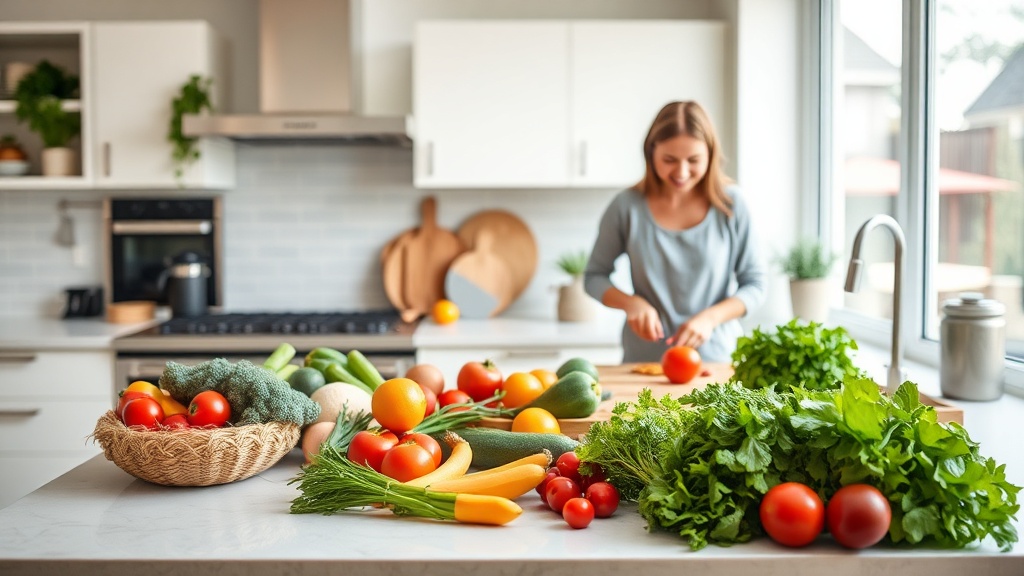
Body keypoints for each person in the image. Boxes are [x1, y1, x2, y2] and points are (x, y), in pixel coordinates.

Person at [584, 101, 766, 363]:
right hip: (643, 362)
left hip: (715, 361)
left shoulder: (731, 206)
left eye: (693, 160)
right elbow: (594, 277)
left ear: (711, 156)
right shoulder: (626, 207)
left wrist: (710, 318)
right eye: (669, 160)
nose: (681, 172)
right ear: (651, 154)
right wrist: (631, 303)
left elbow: (756, 285)